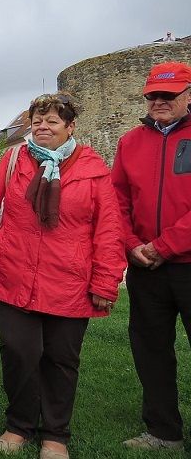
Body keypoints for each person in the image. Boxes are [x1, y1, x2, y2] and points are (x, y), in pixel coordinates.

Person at [0, 93, 125, 459]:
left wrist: (106, 280)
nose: (42, 127)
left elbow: (109, 229)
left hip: (69, 281)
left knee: (60, 359)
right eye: (37, 121)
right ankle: (19, 425)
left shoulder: (93, 169)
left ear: (71, 127)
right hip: (14, 274)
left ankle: (55, 435)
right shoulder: (12, 160)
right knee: (18, 352)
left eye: (52, 121)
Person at [111, 62, 191, 451]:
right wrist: (130, 244)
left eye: (169, 95)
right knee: (150, 349)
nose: (159, 102)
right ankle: (163, 432)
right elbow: (118, 200)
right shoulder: (130, 142)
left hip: (186, 262)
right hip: (146, 268)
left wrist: (164, 245)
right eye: (153, 95)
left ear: (187, 96)